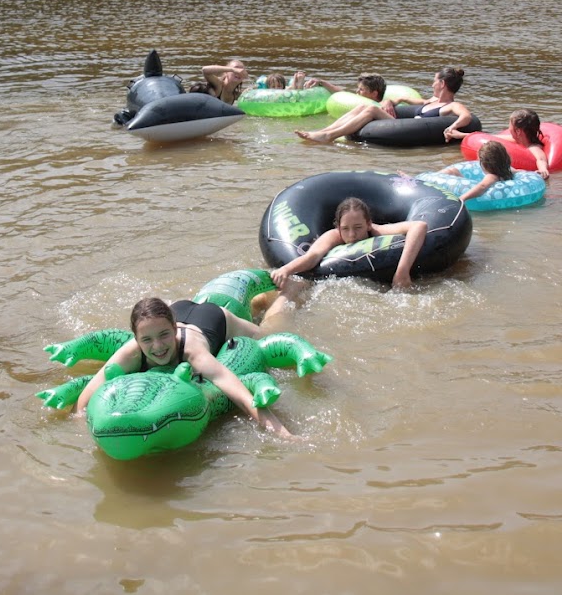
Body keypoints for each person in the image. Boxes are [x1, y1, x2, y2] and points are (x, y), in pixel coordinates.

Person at [74, 296, 295, 438]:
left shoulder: (193, 352)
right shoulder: (130, 353)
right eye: (147, 340)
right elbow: (84, 402)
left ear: (174, 328)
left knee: (266, 330)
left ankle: (279, 298)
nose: (158, 346)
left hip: (213, 318)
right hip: (176, 308)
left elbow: (240, 394)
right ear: (136, 338)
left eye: (164, 335)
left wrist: (282, 433)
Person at [270, 197, 428, 290]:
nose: (352, 235)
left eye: (358, 227)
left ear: (368, 224)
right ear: (338, 227)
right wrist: (286, 270)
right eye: (345, 229)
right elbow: (312, 256)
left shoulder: (377, 230)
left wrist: (402, 270)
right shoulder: (333, 236)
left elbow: (419, 226)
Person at [296, 67, 474, 144]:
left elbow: (466, 116)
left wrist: (452, 126)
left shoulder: (452, 105)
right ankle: (323, 132)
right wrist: (390, 101)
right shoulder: (430, 101)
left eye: (434, 81)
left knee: (372, 109)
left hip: (405, 130)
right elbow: (402, 99)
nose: (431, 84)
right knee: (360, 108)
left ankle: (330, 136)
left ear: (442, 84)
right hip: (400, 123)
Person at [441, 140, 516, 201]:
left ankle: (431, 178)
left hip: (473, 193)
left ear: (484, 164)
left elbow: (482, 186)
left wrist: (462, 198)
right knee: (454, 171)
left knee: (451, 171)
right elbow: (521, 172)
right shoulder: (508, 170)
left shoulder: (492, 176)